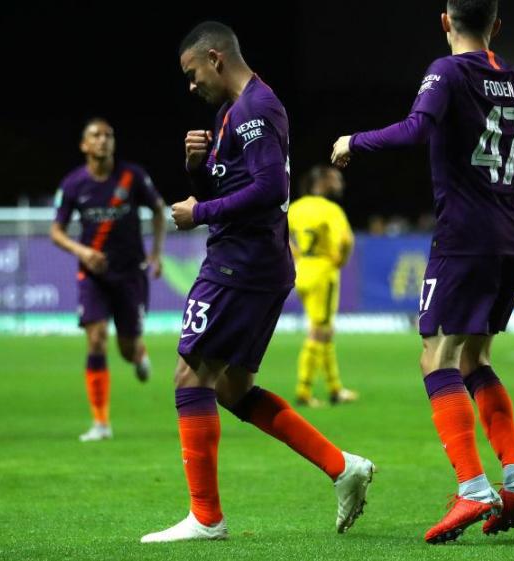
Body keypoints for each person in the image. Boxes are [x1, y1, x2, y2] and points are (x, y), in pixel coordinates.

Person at [332, 0, 514, 543]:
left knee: (435, 355)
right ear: (497, 26)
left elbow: (416, 130)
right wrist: (507, 193)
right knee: (475, 358)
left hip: (464, 238)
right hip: (511, 238)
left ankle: (473, 487)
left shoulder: (447, 71)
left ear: (445, 22)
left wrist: (353, 142)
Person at [140, 21, 375, 543]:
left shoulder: (255, 110)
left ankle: (205, 518)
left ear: (215, 58)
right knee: (232, 387)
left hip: (239, 265)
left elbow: (269, 190)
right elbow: (238, 186)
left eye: (192, 72)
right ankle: (343, 467)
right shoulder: (229, 114)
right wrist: (196, 169)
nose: (191, 84)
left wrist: (200, 210)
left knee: (189, 378)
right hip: (256, 264)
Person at [50, 118, 166, 442]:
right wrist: (82, 252)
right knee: (96, 338)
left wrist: (155, 254)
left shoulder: (132, 177)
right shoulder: (74, 184)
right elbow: (56, 231)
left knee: (126, 349)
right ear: (84, 145)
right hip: (93, 274)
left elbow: (158, 210)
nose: (102, 140)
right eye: (95, 136)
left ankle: (139, 353)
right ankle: (101, 423)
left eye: (108, 136)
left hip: (130, 274)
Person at [288, 165, 358, 407]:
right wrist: (341, 260)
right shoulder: (330, 210)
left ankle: (335, 389)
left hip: (302, 270)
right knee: (319, 331)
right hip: (323, 272)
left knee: (326, 331)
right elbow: (347, 240)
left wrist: (296, 254)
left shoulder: (295, 208)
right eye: (335, 180)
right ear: (323, 183)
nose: (339, 184)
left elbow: (280, 236)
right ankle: (304, 390)